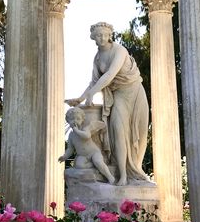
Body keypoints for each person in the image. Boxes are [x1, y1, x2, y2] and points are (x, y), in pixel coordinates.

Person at [67, 22, 149, 186]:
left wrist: (92, 93)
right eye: (98, 35)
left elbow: (110, 74)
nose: (102, 38)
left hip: (134, 92)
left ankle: (135, 170)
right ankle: (123, 175)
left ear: (110, 35)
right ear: (93, 38)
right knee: (118, 130)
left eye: (105, 34)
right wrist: (81, 99)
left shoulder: (119, 50)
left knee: (139, 135)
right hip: (118, 95)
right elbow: (94, 82)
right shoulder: (97, 58)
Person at [59, 106, 114, 184]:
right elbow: (70, 149)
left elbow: (86, 136)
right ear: (68, 121)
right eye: (72, 119)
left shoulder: (85, 129)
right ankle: (93, 165)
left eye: (78, 119)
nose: (75, 121)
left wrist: (76, 130)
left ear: (82, 120)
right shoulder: (71, 136)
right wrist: (64, 157)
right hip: (83, 156)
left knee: (98, 162)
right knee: (79, 165)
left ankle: (110, 177)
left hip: (94, 153)